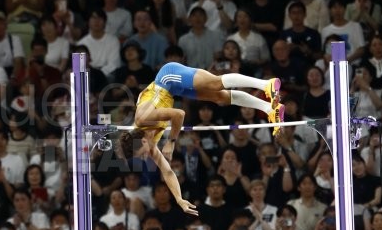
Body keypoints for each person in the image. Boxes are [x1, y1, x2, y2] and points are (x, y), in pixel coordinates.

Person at [118, 66, 283, 216]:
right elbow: (167, 172)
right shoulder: (149, 143)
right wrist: (179, 199)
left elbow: (179, 114)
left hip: (168, 76)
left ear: (142, 142)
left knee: (215, 84)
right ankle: (269, 109)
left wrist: (171, 141)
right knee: (220, 98)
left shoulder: (143, 119)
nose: (145, 157)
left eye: (141, 154)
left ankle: (265, 84)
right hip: (173, 91)